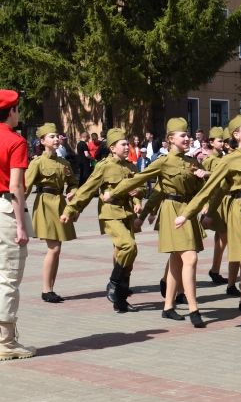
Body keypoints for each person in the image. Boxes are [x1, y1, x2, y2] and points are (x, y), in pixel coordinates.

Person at [175, 114, 241, 337]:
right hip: (240, 212)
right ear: (236, 135)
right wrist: (187, 214)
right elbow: (212, 189)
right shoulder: (229, 160)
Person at [105, 118, 209, 327]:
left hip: (187, 212)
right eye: (183, 135)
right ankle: (193, 308)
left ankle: (168, 306)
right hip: (172, 212)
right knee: (190, 258)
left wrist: (204, 176)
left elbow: (203, 189)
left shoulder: (192, 162)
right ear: (171, 139)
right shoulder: (163, 161)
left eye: (188, 135)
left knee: (177, 261)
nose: (187, 138)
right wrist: (114, 193)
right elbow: (140, 181)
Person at [61, 128, 143, 313]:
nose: (126, 147)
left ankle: (120, 300)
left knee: (129, 258)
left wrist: (137, 199)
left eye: (127, 144)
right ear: (112, 148)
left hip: (127, 213)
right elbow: (87, 190)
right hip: (110, 212)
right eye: (123, 144)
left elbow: (139, 188)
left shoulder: (131, 166)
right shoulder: (104, 166)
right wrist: (71, 209)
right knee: (128, 246)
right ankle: (113, 283)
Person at [25, 123, 79, 303]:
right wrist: (15, 210)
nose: (56, 139)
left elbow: (73, 182)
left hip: (60, 204)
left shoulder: (64, 162)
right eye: (51, 137)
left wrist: (73, 190)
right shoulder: (37, 162)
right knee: (54, 248)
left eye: (57, 136)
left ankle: (50, 288)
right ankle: (46, 289)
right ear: (42, 141)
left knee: (57, 249)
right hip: (45, 204)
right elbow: (25, 187)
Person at [0, 90, 34, 361]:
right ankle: (6, 341)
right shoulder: (15, 141)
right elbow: (15, 186)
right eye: (17, 109)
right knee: (8, 277)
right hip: (5, 211)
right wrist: (21, 225)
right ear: (11, 112)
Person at [201, 127, 229, 285]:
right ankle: (216, 270)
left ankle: (215, 270)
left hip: (223, 201)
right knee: (224, 236)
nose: (223, 144)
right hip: (215, 202)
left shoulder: (222, 157)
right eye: (220, 141)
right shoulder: (209, 160)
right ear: (211, 142)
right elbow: (205, 185)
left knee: (222, 237)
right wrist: (205, 204)